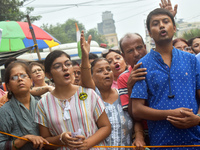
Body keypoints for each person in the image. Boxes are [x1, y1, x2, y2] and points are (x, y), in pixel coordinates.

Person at [131, 8, 200, 149]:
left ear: (174, 28)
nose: (161, 25)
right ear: (150, 33)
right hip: (162, 143)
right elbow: (137, 110)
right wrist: (169, 114)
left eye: (166, 21)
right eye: (155, 23)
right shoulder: (143, 64)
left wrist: (197, 119)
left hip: (195, 141)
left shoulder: (191, 60)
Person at [80, 31, 145, 149]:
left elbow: (136, 118)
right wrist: (85, 56)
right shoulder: (93, 96)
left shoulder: (123, 94)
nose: (106, 72)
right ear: (92, 77)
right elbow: (84, 77)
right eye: (100, 71)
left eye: (108, 69)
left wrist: (139, 137)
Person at [35, 50, 111, 150]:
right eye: (58, 66)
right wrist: (61, 138)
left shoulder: (89, 93)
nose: (65, 68)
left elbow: (106, 127)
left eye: (68, 64)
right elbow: (45, 141)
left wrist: (87, 143)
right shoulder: (43, 104)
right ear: (49, 75)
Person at [0, 61, 48, 150]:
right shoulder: (4, 111)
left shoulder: (42, 104)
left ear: (31, 81)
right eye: (14, 77)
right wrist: (24, 139)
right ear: (8, 86)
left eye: (23, 75)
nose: (19, 79)